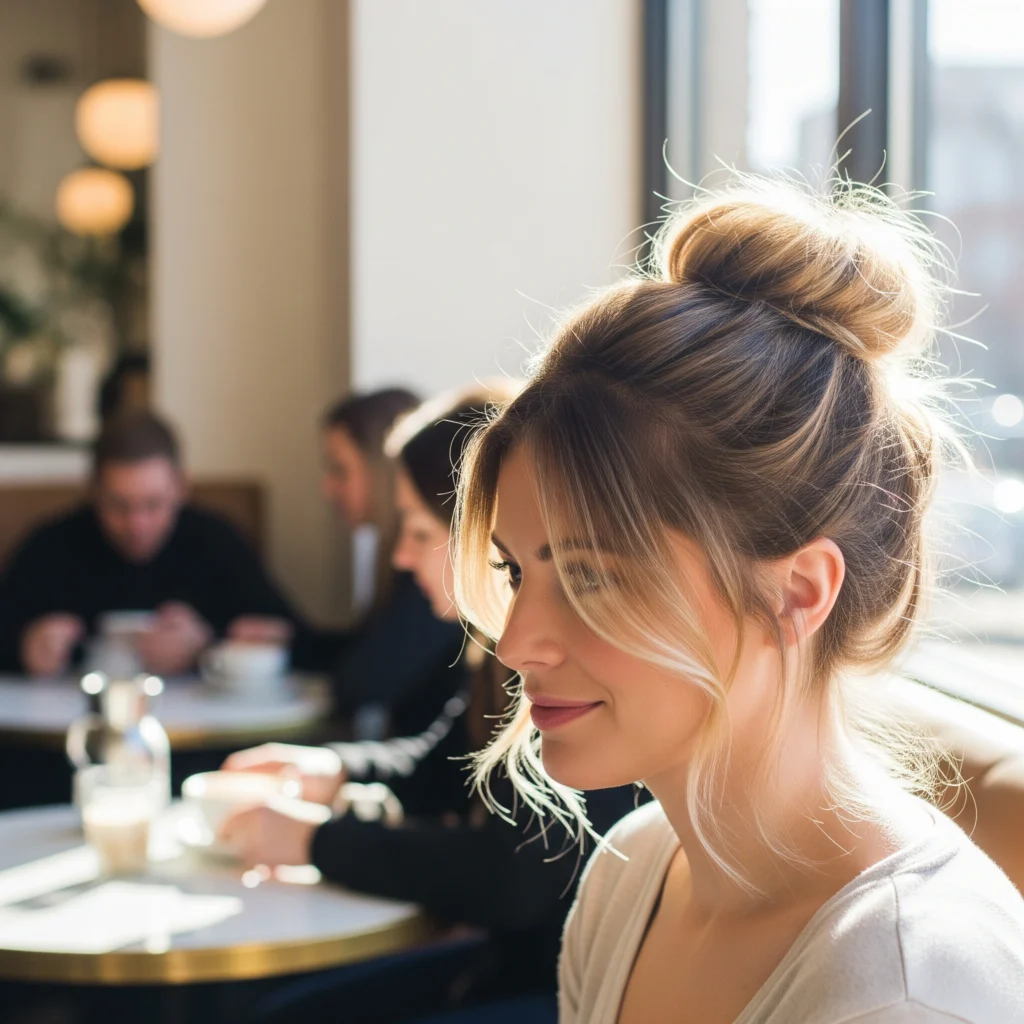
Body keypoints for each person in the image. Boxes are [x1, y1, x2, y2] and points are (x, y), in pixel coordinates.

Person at [453, 178, 1024, 1023]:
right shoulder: (628, 879)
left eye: (591, 576)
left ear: (797, 593)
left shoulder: (906, 992)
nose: (518, 644)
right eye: (515, 573)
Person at [219, 385, 640, 1021]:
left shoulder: (569, 666)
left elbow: (515, 875)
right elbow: (443, 766)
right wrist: (330, 770)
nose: (400, 555)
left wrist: (316, 843)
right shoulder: (495, 656)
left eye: (418, 532)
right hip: (513, 962)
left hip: (570, 991)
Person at [233, 387, 467, 738]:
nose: (328, 488)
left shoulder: (438, 569)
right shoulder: (402, 561)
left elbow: (363, 681)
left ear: (382, 470)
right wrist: (289, 642)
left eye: (340, 470)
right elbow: (368, 653)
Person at [0, 411, 299, 677]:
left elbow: (293, 640)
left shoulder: (216, 542)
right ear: (93, 491)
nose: (137, 525)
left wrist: (209, 645)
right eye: (119, 506)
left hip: (204, 732)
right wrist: (23, 647)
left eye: (153, 504)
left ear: (181, 488)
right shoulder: (52, 546)